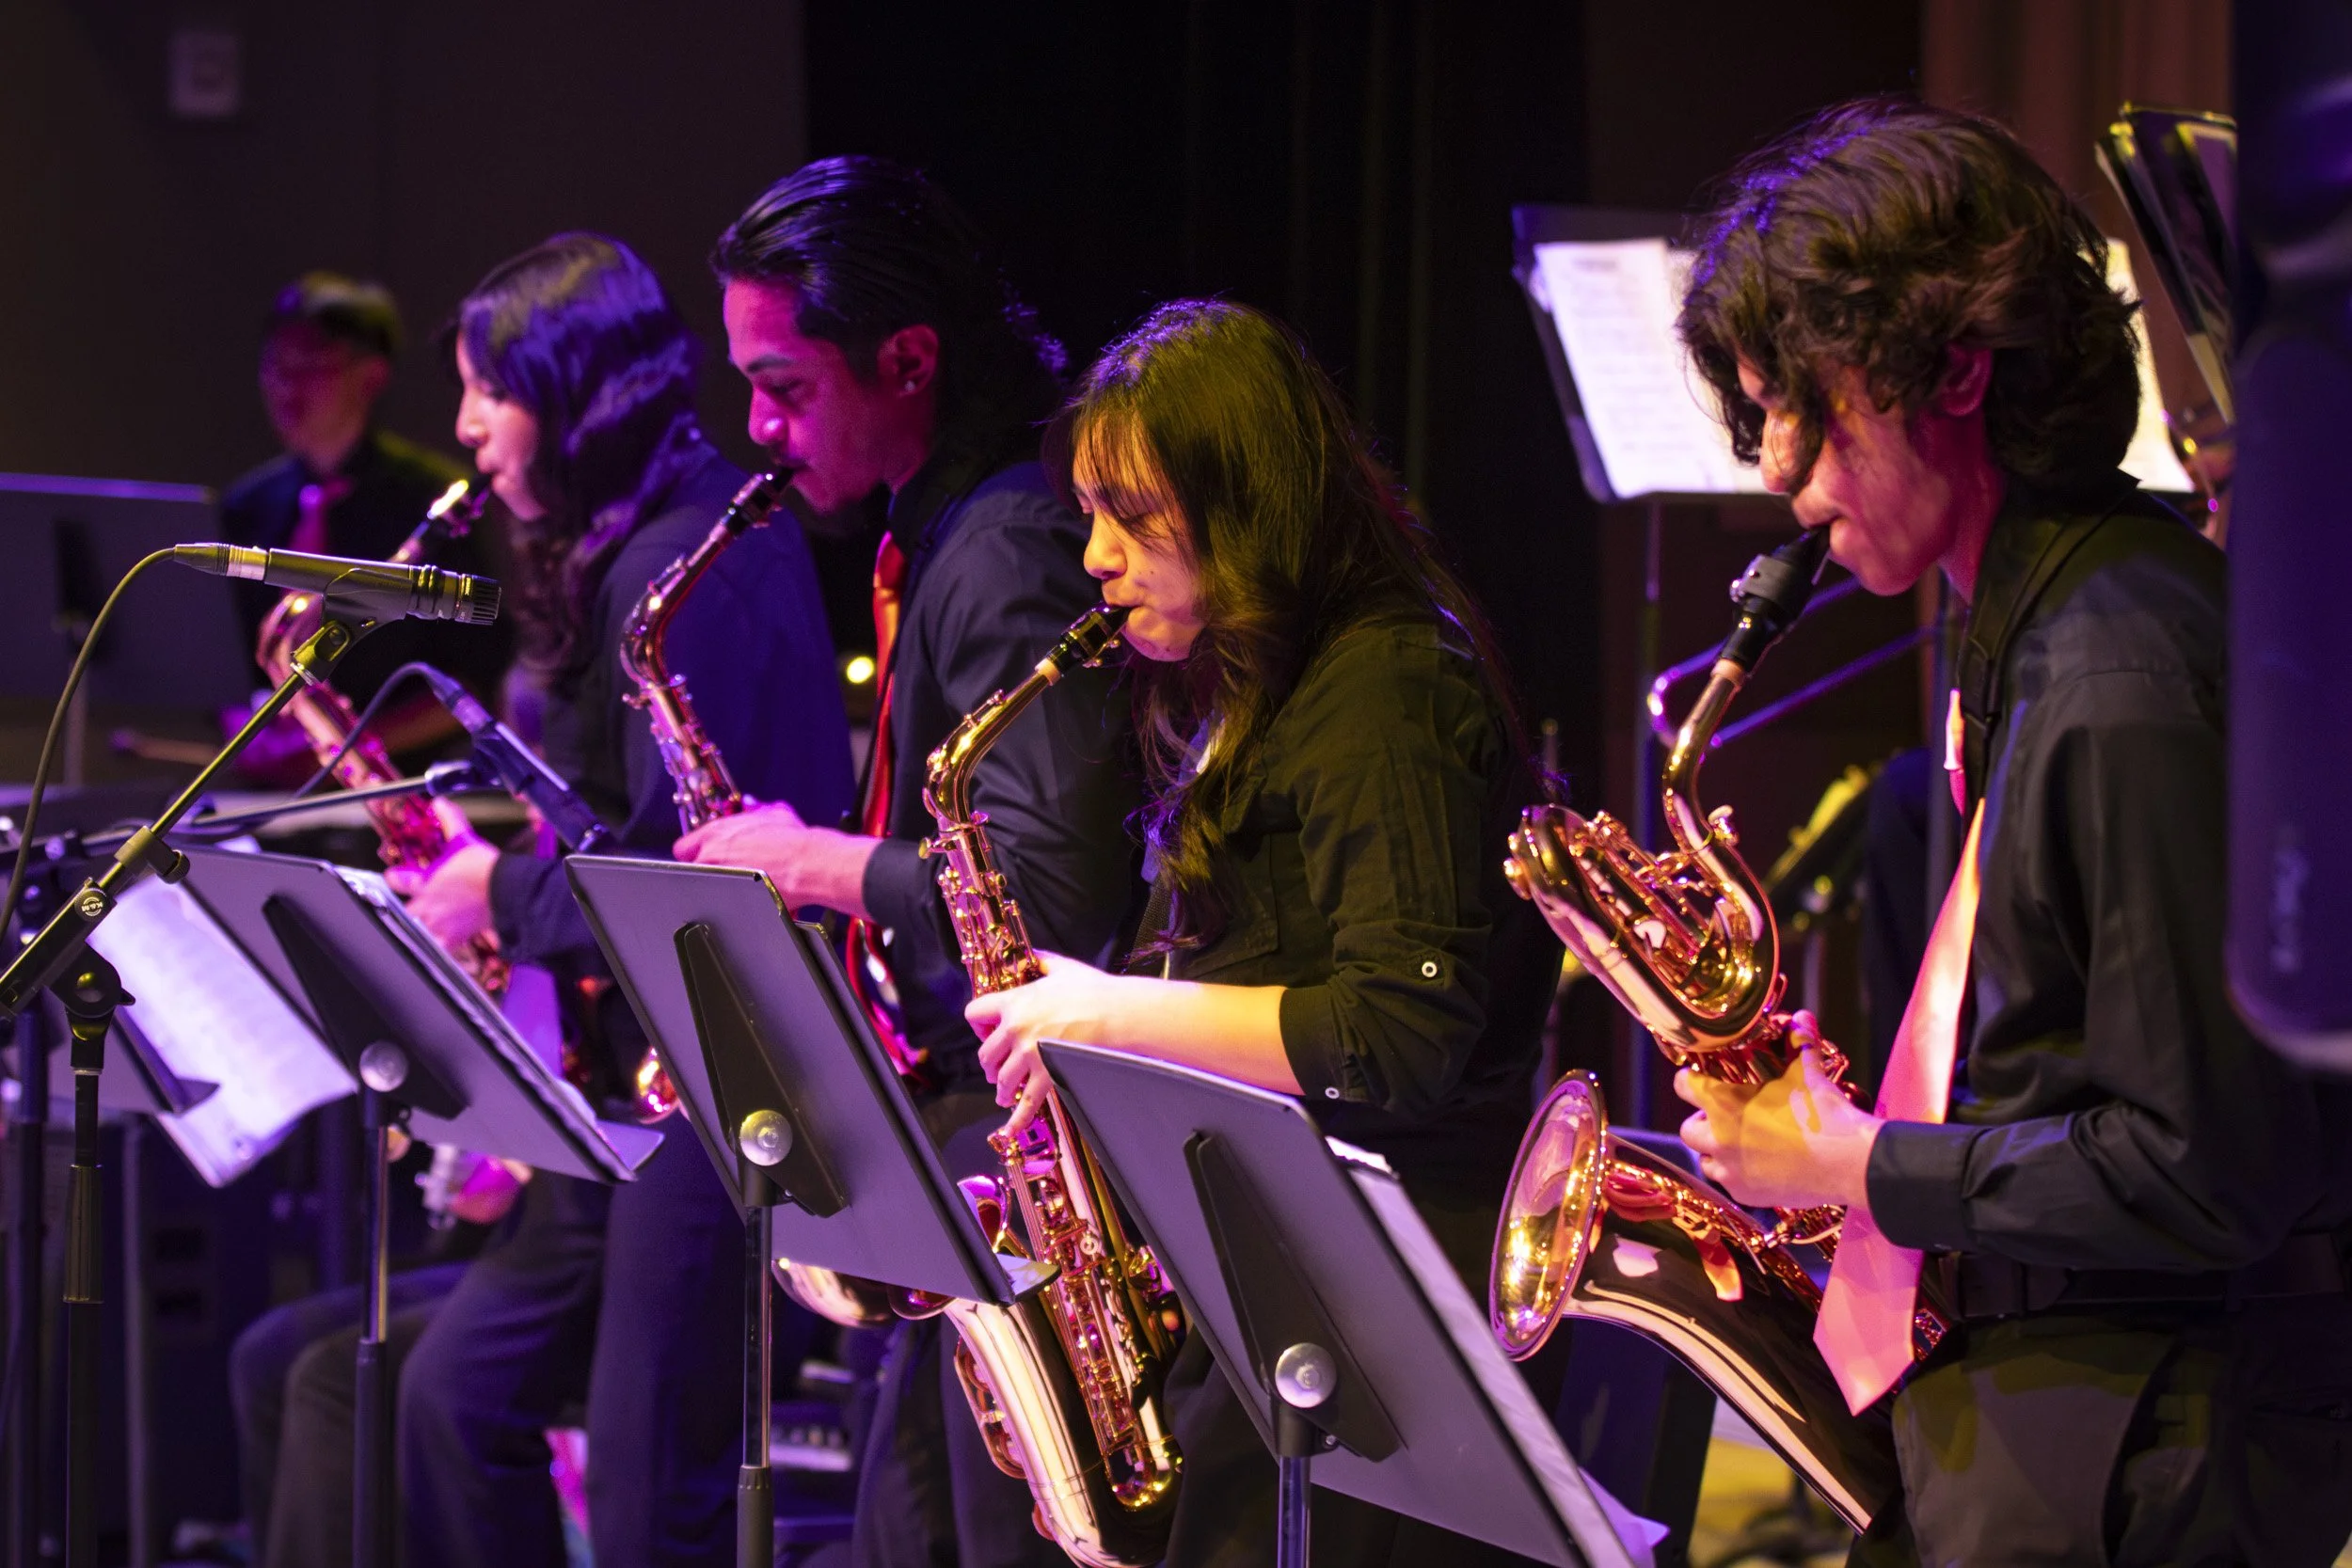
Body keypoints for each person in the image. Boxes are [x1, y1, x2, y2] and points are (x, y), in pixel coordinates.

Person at [1667, 98, 2352, 1566]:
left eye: (1805, 404)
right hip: (2061, 1390)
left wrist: (1864, 1163)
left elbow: (2209, 1164)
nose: (1774, 466)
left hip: (2143, 1430)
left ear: (1958, 368)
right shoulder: (2035, 624)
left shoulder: (2121, 676)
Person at [958, 298, 1564, 1566]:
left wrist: (1105, 1013)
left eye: (1133, 515)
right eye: (1090, 513)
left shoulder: (1388, 682)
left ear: (1245, 503)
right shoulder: (1260, 679)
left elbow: (1397, 1031)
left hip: (1384, 1306)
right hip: (1291, 1267)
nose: (1095, 557)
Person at [674, 156, 1143, 1568]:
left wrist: (817, 863)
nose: (758, 430)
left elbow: (1045, 891)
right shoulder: (945, 530)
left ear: (909, 359)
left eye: (785, 387)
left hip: (1016, 1136)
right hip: (972, 1119)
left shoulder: (1001, 547)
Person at [357, 231, 851, 1568]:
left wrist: (499, 891)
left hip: (725, 1073)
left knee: (649, 1507)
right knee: (459, 1402)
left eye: (488, 390)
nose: (463, 425)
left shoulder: (683, 562)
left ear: (575, 396)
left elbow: (681, 879)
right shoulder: (634, 543)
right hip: (637, 1065)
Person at [221, 272, 510, 737]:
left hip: (406, 771)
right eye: (276, 365)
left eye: (311, 365)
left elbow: (477, 676)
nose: (286, 386)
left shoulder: (436, 500)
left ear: (372, 376)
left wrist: (350, 747)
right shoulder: (245, 506)